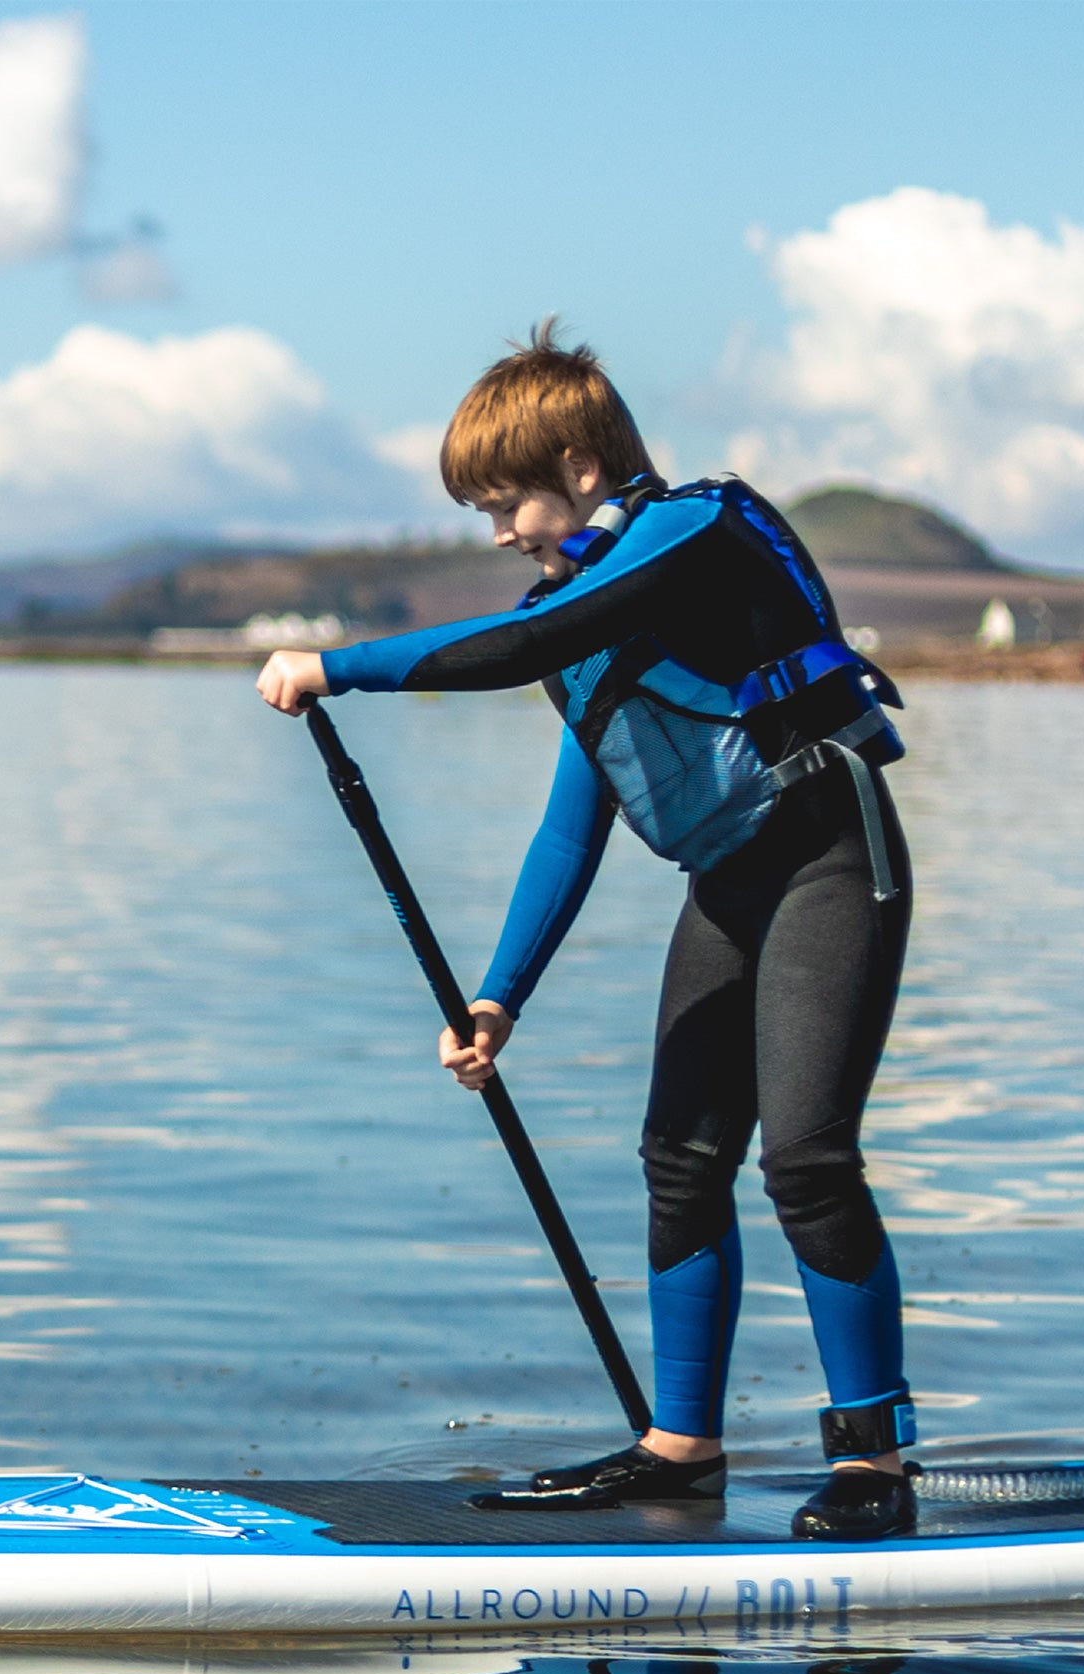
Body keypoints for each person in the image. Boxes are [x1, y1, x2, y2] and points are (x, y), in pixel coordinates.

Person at [257, 323, 918, 1541]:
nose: (501, 534)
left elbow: (519, 649)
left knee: (806, 1159)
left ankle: (873, 1463)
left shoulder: (691, 534)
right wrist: (498, 996)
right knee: (680, 1158)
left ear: (575, 461)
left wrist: (337, 667)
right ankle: (682, 1450)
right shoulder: (588, 618)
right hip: (725, 885)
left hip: (828, 855)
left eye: (504, 502)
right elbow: (574, 830)